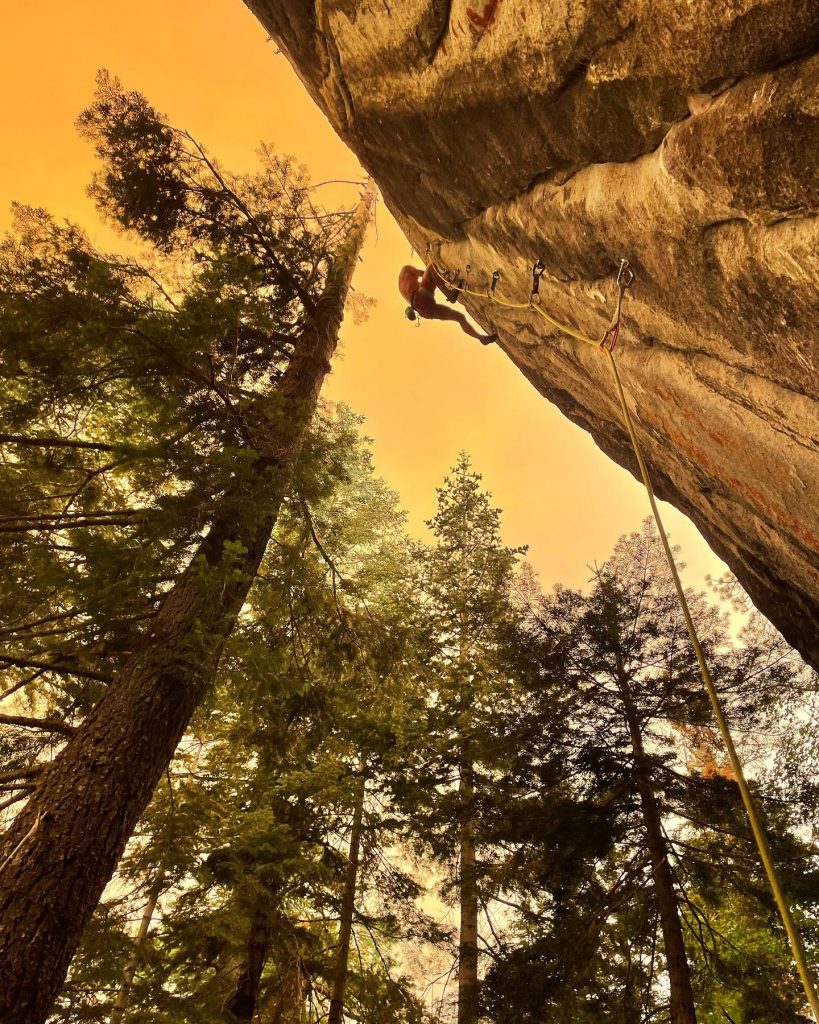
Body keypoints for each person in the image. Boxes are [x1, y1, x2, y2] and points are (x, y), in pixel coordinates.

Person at [398, 264, 496, 344]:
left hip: (424, 312)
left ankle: (481, 338)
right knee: (432, 267)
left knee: (459, 317)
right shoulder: (407, 269)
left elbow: (423, 285)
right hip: (420, 299)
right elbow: (425, 274)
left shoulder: (402, 287)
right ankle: (449, 294)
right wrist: (443, 276)